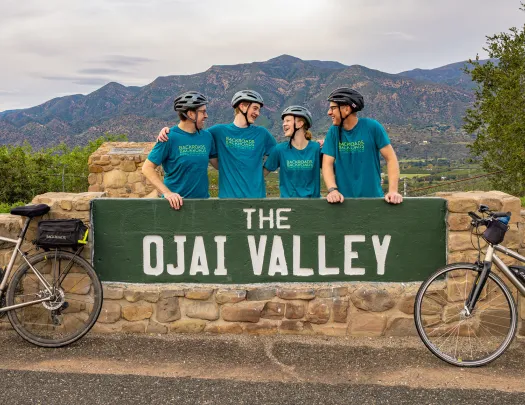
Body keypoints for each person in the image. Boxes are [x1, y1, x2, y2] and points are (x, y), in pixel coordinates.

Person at [156, 89, 277, 198]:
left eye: (259, 110)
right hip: (227, 200)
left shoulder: (262, 133)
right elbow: (191, 134)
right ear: (243, 106)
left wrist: (260, 174)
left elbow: (278, 153)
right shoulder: (218, 131)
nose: (258, 113)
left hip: (256, 197)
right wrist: (167, 131)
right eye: (255, 108)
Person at [321, 87, 403, 204]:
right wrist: (332, 190)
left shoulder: (372, 127)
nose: (329, 113)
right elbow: (327, 164)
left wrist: (393, 191)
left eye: (333, 108)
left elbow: (391, 158)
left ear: (347, 109)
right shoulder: (333, 132)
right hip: (343, 203)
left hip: (374, 201)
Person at [142, 91, 217, 210]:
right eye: (203, 111)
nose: (206, 115)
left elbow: (218, 165)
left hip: (202, 205)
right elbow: (147, 168)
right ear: (191, 114)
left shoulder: (207, 137)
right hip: (176, 207)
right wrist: (167, 193)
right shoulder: (168, 137)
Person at [263, 106, 321, 198]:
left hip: (313, 207)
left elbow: (333, 170)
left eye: (287, 121)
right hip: (287, 207)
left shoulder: (316, 149)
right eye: (283, 121)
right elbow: (261, 175)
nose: (284, 124)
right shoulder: (279, 150)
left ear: (300, 123)